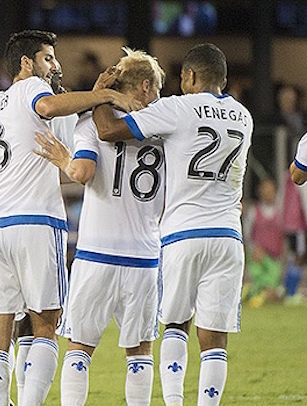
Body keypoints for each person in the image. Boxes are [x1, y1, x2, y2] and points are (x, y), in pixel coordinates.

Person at [0, 29, 142, 406]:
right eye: (48, 58)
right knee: (45, 326)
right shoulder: (34, 92)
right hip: (37, 222)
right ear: (27, 63)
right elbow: (49, 108)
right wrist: (105, 94)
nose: (55, 65)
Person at [93, 43, 253, 406]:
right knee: (214, 338)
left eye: (182, 77)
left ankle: (175, 402)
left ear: (191, 76)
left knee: (176, 325)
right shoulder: (244, 116)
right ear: (223, 80)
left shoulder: (177, 108)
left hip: (184, 234)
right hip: (228, 235)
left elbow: (107, 131)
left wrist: (101, 94)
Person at [34, 47, 165, 405]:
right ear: (144, 85)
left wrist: (63, 156)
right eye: (156, 87)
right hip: (143, 255)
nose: (159, 95)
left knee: (80, 347)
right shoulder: (167, 126)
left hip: (97, 253)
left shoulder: (91, 122)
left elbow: (83, 172)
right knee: (139, 352)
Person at [243, 178, 284, 307]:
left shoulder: (281, 211)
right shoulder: (254, 211)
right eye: (265, 191)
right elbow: (247, 233)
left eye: (271, 191)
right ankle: (252, 293)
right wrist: (252, 248)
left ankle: (255, 294)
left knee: (272, 287)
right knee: (259, 283)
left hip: (275, 257)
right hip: (258, 256)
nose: (268, 194)